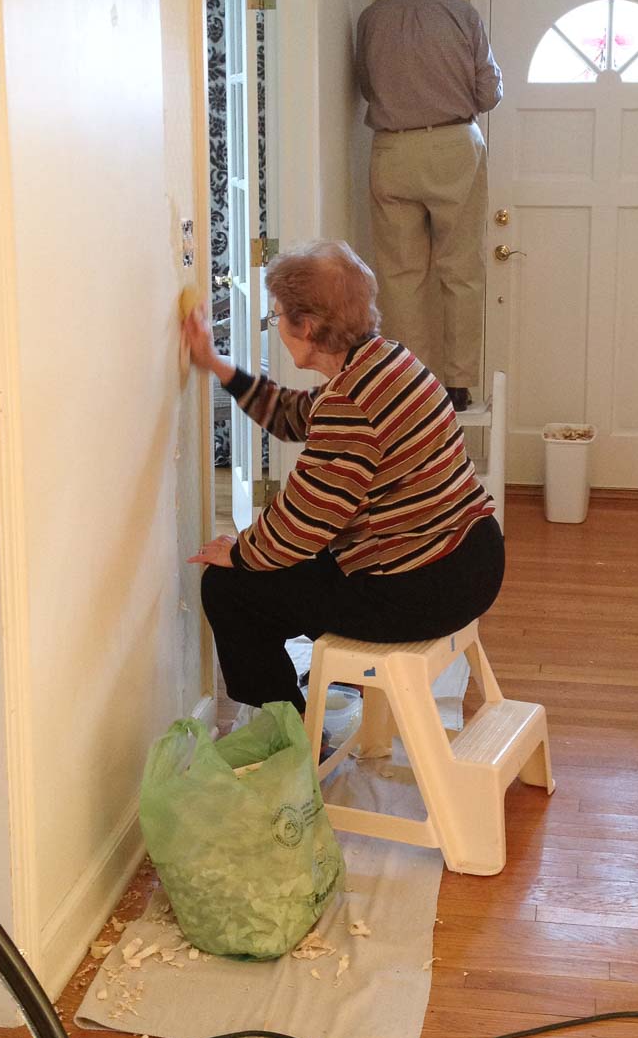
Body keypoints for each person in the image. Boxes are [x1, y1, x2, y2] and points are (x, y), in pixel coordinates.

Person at [184, 239, 504, 716]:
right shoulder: (387, 361)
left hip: (421, 589)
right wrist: (216, 363)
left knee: (228, 589)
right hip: (472, 558)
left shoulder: (349, 403)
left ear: (307, 327)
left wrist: (239, 552)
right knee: (281, 570)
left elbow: (302, 525)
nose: (277, 326)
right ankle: (306, 701)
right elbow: (294, 416)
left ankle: (286, 733)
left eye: (277, 316)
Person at [355, 0, 503, 412]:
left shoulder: (371, 19)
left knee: (400, 274)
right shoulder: (463, 15)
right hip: (454, 148)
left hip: (392, 150)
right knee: (461, 269)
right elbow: (489, 94)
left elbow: (367, 87)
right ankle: (457, 385)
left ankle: (411, 384)